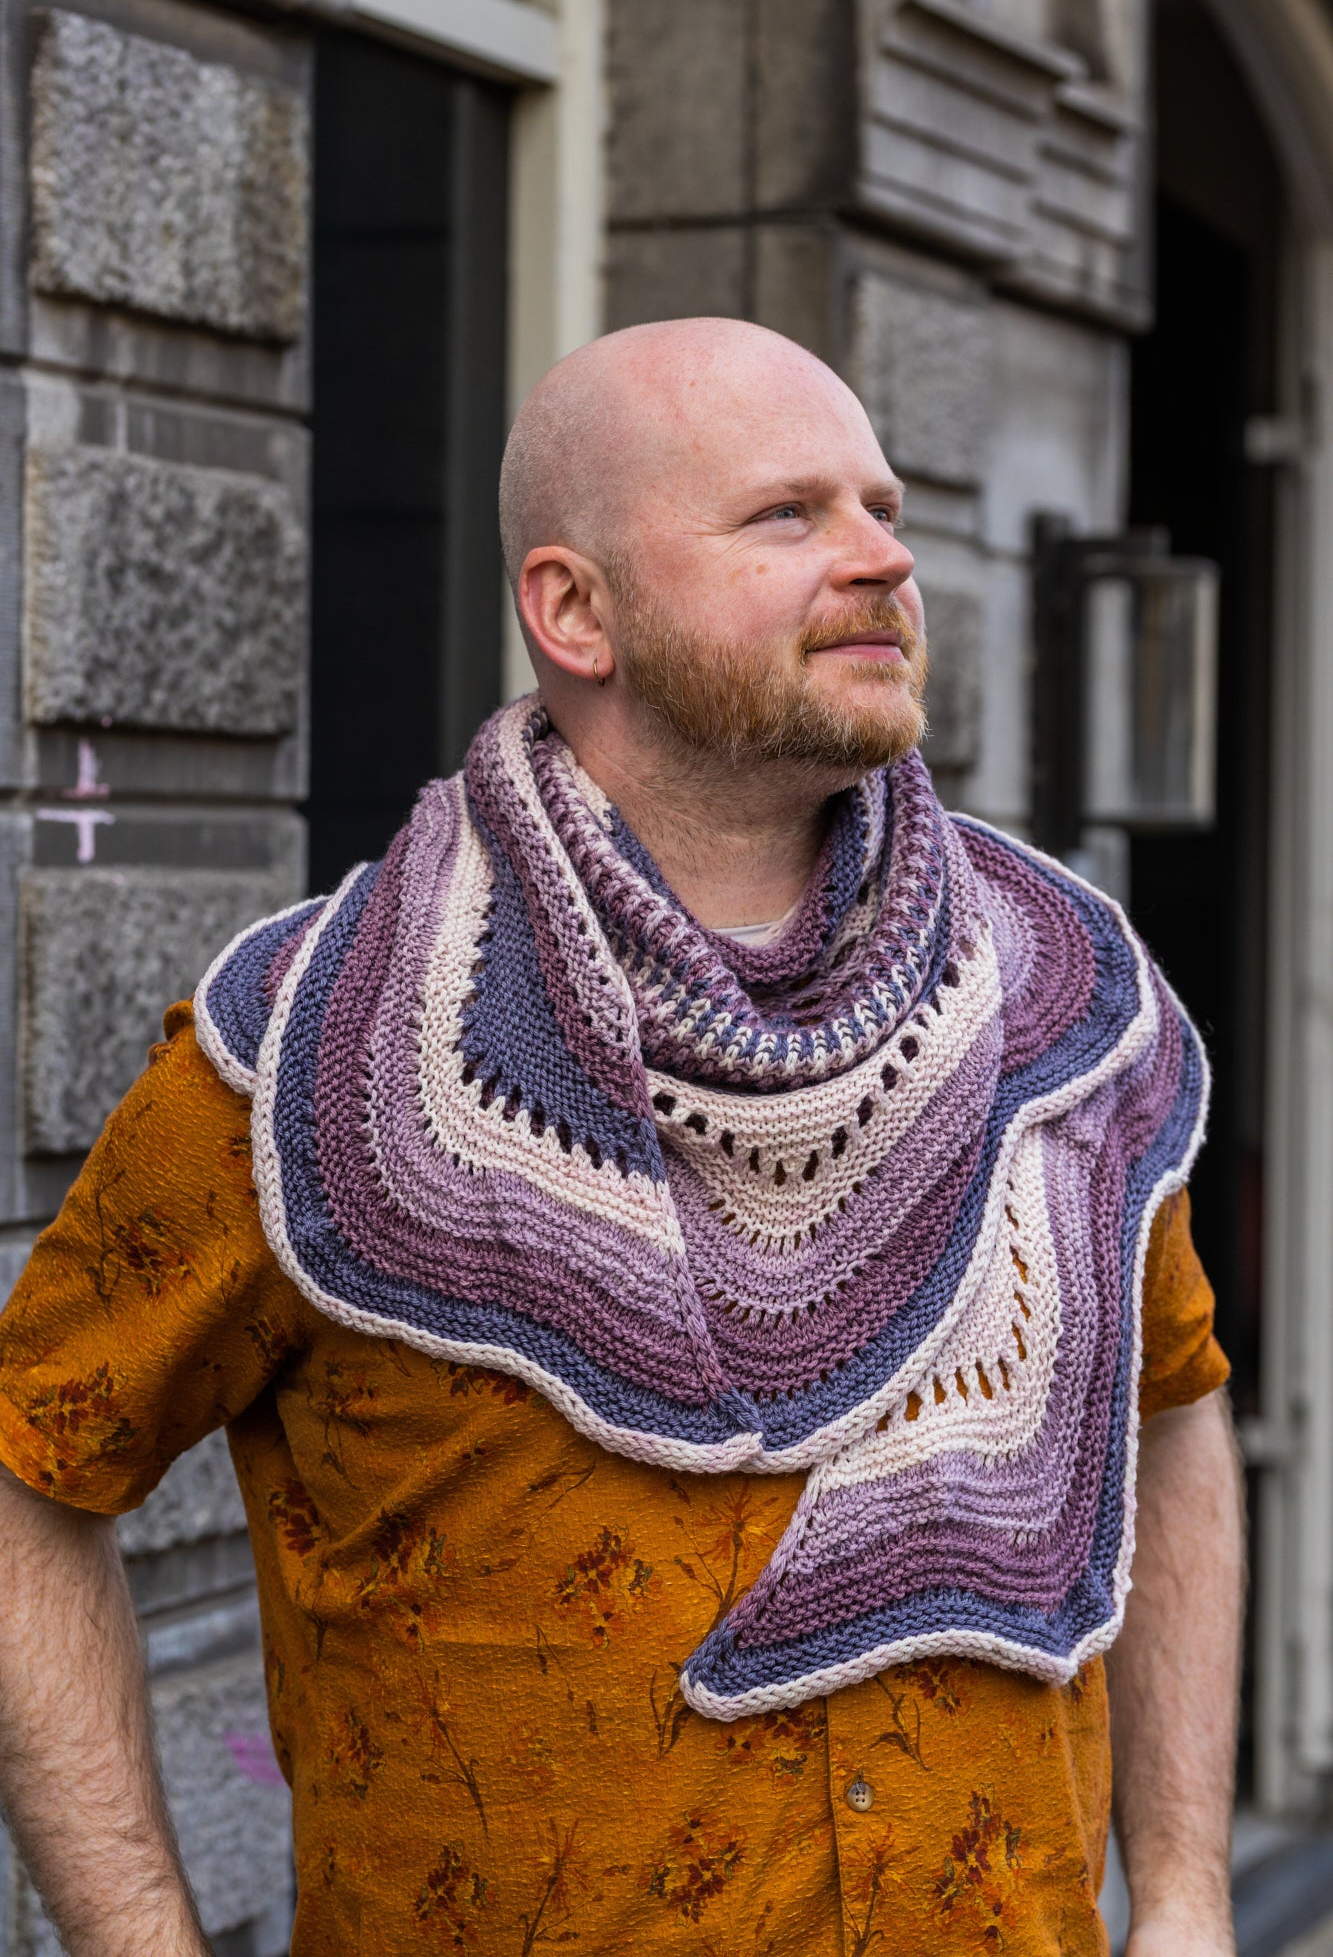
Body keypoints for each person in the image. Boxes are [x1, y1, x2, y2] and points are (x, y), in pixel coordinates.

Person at [0, 318, 1242, 1957]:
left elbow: (1167, 1415)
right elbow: (29, 1474)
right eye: (786, 516)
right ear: (573, 609)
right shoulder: (313, 1056)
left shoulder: (1059, 1010)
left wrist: (1190, 1895)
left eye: (880, 507)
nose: (882, 560)